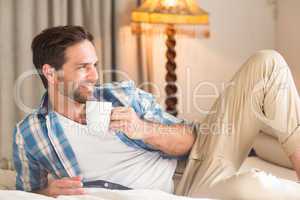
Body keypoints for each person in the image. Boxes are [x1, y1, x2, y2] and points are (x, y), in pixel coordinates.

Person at [13, 25, 300, 199]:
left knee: (268, 62)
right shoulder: (31, 133)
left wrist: (144, 129)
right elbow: (28, 190)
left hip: (199, 164)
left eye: (95, 64)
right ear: (50, 72)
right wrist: (47, 192)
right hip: (188, 191)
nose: (94, 75)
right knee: (255, 185)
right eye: (82, 67)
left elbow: (190, 139)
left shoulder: (120, 94)